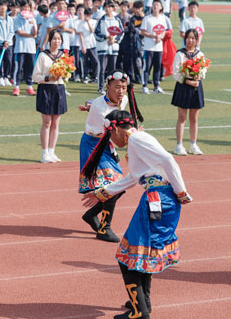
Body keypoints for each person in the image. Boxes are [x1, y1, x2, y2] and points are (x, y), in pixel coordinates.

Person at [82, 109, 192, 319]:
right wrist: (102, 193)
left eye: (109, 135)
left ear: (115, 129)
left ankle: (139, 311)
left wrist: (181, 192)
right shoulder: (136, 141)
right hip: (159, 198)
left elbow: (168, 160)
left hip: (158, 199)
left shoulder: (136, 139)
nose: (111, 140)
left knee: (128, 257)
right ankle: (143, 303)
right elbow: (134, 177)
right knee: (141, 253)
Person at [78, 70, 143, 242]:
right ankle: (104, 228)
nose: (121, 91)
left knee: (117, 188)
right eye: (116, 87)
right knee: (113, 186)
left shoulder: (123, 100)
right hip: (94, 146)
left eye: (123, 87)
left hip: (106, 143)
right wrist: (135, 134)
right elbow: (120, 141)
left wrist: (89, 105)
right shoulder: (101, 108)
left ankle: (92, 215)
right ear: (107, 86)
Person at [32, 30, 67, 163]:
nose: (56, 41)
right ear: (50, 40)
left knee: (56, 123)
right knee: (47, 122)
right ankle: (44, 153)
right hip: (46, 89)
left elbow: (67, 74)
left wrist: (64, 75)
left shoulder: (63, 56)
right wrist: (48, 78)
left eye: (59, 39)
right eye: (54, 39)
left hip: (59, 89)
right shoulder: (43, 55)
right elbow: (35, 76)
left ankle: (52, 151)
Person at [171, 29, 206, 156]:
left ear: (196, 40)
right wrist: (187, 81)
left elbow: (203, 70)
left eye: (193, 38)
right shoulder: (180, 54)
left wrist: (199, 76)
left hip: (196, 87)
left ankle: (193, 144)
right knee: (182, 117)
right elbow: (175, 73)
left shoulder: (199, 54)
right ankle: (179, 145)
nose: (190, 40)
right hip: (183, 86)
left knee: (194, 118)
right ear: (185, 39)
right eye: (188, 37)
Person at [140, 0, 170, 94]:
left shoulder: (163, 18)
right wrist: (154, 36)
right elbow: (142, 32)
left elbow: (164, 31)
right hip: (148, 47)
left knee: (157, 67)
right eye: (154, 5)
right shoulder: (147, 18)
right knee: (147, 67)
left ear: (161, 7)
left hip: (158, 47)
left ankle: (156, 86)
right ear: (151, 7)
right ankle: (144, 86)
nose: (155, 6)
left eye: (157, 5)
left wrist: (160, 37)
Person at [94, 1, 124, 94]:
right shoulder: (101, 20)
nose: (108, 9)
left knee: (112, 70)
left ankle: (110, 88)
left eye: (110, 7)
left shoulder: (117, 20)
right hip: (103, 48)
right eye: (106, 7)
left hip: (113, 48)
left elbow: (121, 33)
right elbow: (96, 33)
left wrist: (115, 40)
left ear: (113, 8)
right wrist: (106, 37)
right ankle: (101, 88)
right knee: (102, 69)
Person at [13, 0, 38, 96]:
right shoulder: (17, 19)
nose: (26, 8)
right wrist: (31, 35)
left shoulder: (33, 19)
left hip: (31, 48)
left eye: (28, 7)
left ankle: (29, 87)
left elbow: (35, 33)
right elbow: (19, 32)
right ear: (21, 8)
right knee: (18, 68)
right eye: (24, 7)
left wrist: (33, 25)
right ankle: (16, 87)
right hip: (20, 47)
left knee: (30, 67)